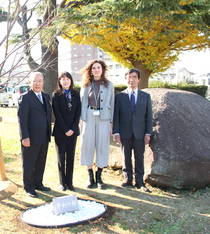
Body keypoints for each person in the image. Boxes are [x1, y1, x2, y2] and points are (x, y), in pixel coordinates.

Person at [113, 68, 153, 192]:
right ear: (126, 79)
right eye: (129, 77)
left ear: (139, 79)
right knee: (126, 157)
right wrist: (116, 132)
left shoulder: (145, 96)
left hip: (140, 133)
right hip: (124, 132)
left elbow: (149, 116)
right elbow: (116, 116)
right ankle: (127, 179)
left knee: (139, 158)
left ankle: (140, 181)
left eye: (134, 77)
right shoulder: (119, 96)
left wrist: (148, 133)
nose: (132, 80)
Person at [80, 59, 114, 189]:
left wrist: (111, 123)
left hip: (104, 117)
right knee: (87, 144)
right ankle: (90, 176)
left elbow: (113, 104)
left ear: (102, 69)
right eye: (93, 68)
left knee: (102, 145)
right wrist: (80, 121)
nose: (96, 70)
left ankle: (99, 176)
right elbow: (82, 103)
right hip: (88, 116)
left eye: (98, 67)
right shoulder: (85, 85)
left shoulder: (109, 85)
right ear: (90, 70)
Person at [17, 72, 52, 198]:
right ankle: (29, 187)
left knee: (40, 162)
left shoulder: (46, 97)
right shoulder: (25, 98)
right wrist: (24, 137)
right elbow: (22, 119)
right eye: (35, 81)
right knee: (29, 163)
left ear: (43, 82)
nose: (37, 83)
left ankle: (38, 183)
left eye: (40, 81)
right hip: (30, 138)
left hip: (44, 136)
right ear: (30, 82)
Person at [52, 72, 81, 191]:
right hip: (61, 132)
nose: (65, 81)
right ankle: (62, 182)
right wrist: (65, 129)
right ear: (60, 82)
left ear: (71, 81)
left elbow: (78, 112)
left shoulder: (76, 94)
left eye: (68, 79)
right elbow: (57, 114)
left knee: (70, 157)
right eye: (63, 79)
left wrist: (73, 129)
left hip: (73, 132)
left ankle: (70, 182)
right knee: (61, 158)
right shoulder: (56, 95)